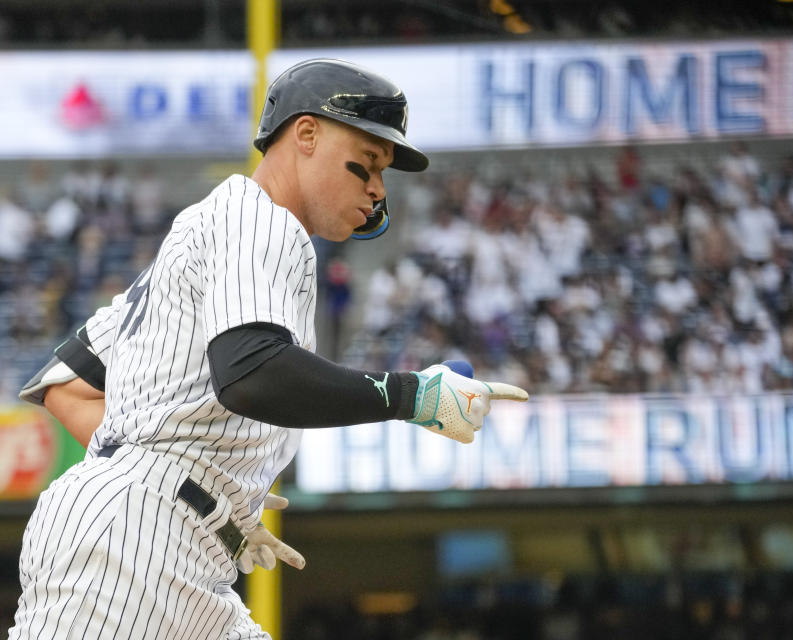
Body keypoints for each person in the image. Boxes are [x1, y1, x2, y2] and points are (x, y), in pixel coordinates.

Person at [10, 58, 528, 640]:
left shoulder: (221, 225)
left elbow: (66, 384)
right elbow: (252, 372)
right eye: (369, 163)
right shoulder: (261, 221)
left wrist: (200, 493)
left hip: (164, 544)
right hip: (134, 549)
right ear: (306, 134)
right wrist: (411, 395)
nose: (379, 188)